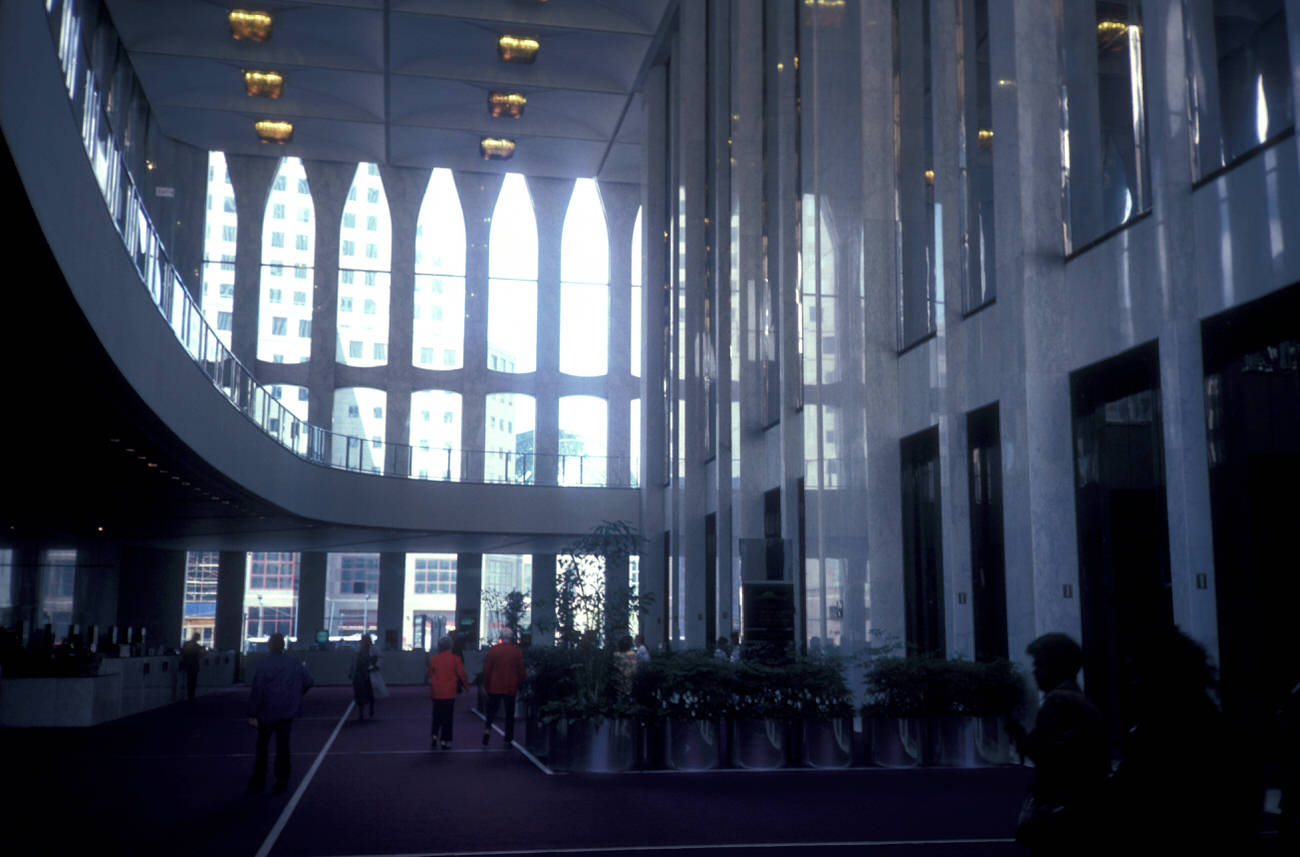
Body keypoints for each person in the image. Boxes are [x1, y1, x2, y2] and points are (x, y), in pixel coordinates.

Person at [1109, 626, 1253, 852]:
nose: (1133, 684)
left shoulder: (1161, 735)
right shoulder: (1220, 726)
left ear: (1161, 677)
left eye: (1138, 674)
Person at [1006, 632, 1108, 857]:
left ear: (1056, 667)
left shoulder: (1058, 702)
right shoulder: (1079, 700)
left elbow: (1048, 755)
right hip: (1082, 808)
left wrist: (1020, 737)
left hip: (1063, 812)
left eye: (1040, 665)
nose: (1035, 672)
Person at [246, 632, 314, 794]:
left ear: (270, 645)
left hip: (267, 711)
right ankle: (282, 780)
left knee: (262, 747)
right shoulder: (295, 662)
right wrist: (296, 696)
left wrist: (252, 713)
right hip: (287, 711)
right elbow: (309, 681)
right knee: (283, 747)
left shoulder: (265, 664)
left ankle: (259, 779)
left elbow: (258, 690)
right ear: (283, 645)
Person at [481, 630, 526, 748]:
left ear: (501, 637)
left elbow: (487, 670)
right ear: (511, 638)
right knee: (509, 713)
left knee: (491, 711)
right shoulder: (517, 651)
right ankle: (508, 738)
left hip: (494, 685)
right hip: (510, 686)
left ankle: (487, 730)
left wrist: (485, 685)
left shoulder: (493, 650)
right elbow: (521, 671)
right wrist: (520, 683)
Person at [428, 635, 468, 750]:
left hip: (437, 691)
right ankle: (445, 741)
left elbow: (430, 673)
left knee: (436, 715)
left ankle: (434, 736)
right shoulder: (456, 659)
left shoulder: (434, 658)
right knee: (448, 717)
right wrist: (466, 687)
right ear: (451, 646)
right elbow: (462, 674)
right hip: (450, 692)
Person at [349, 634, 377, 722]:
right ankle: (362, 713)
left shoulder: (372, 650)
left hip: (367, 674)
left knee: (370, 694)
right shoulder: (358, 651)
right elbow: (354, 663)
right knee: (359, 695)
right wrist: (351, 672)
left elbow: (376, 661)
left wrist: (373, 667)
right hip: (359, 675)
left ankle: (370, 710)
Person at [181, 632, 203, 702]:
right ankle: (191, 696)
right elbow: (200, 655)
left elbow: (183, 653)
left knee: (189, 680)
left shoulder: (186, 644)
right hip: (194, 665)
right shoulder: (198, 646)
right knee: (193, 681)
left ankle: (189, 695)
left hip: (188, 664)